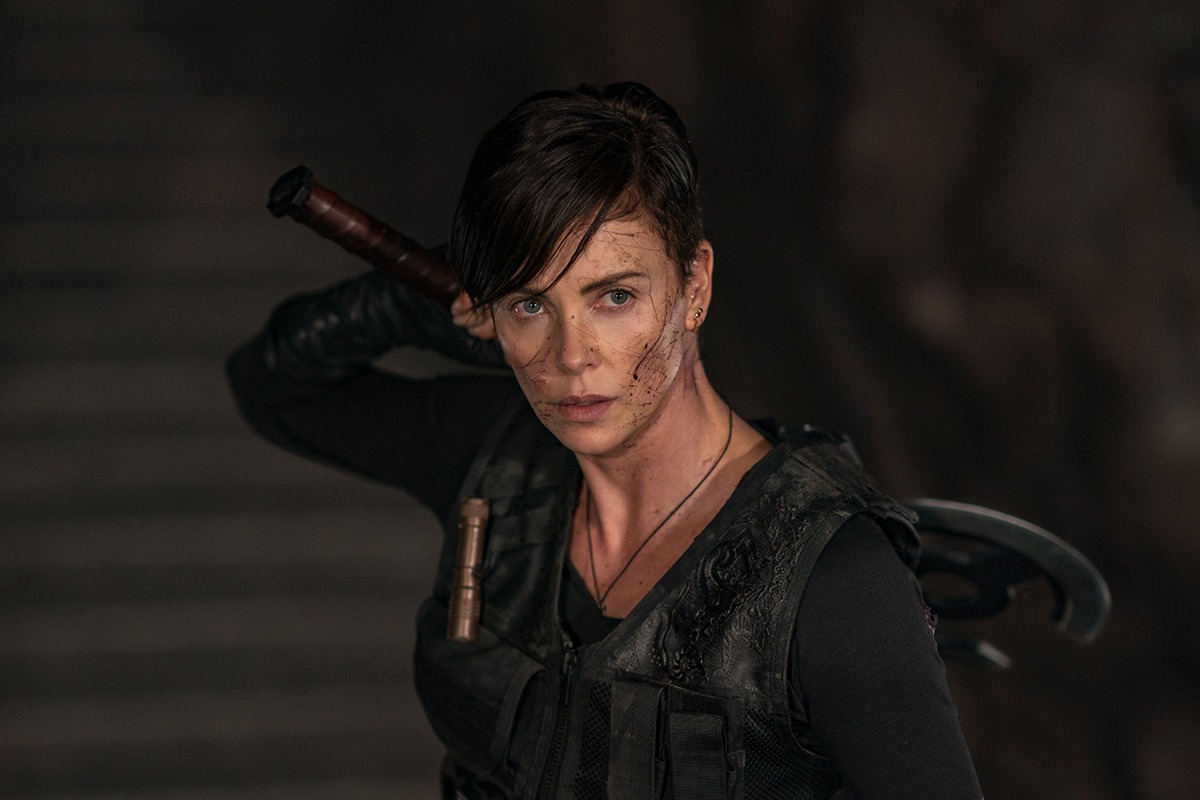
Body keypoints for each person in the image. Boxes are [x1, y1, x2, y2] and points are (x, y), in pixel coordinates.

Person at [227, 82, 982, 799]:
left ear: (694, 287)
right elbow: (274, 389)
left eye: (614, 296)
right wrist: (413, 306)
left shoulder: (833, 577)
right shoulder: (495, 457)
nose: (571, 356)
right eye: (530, 304)